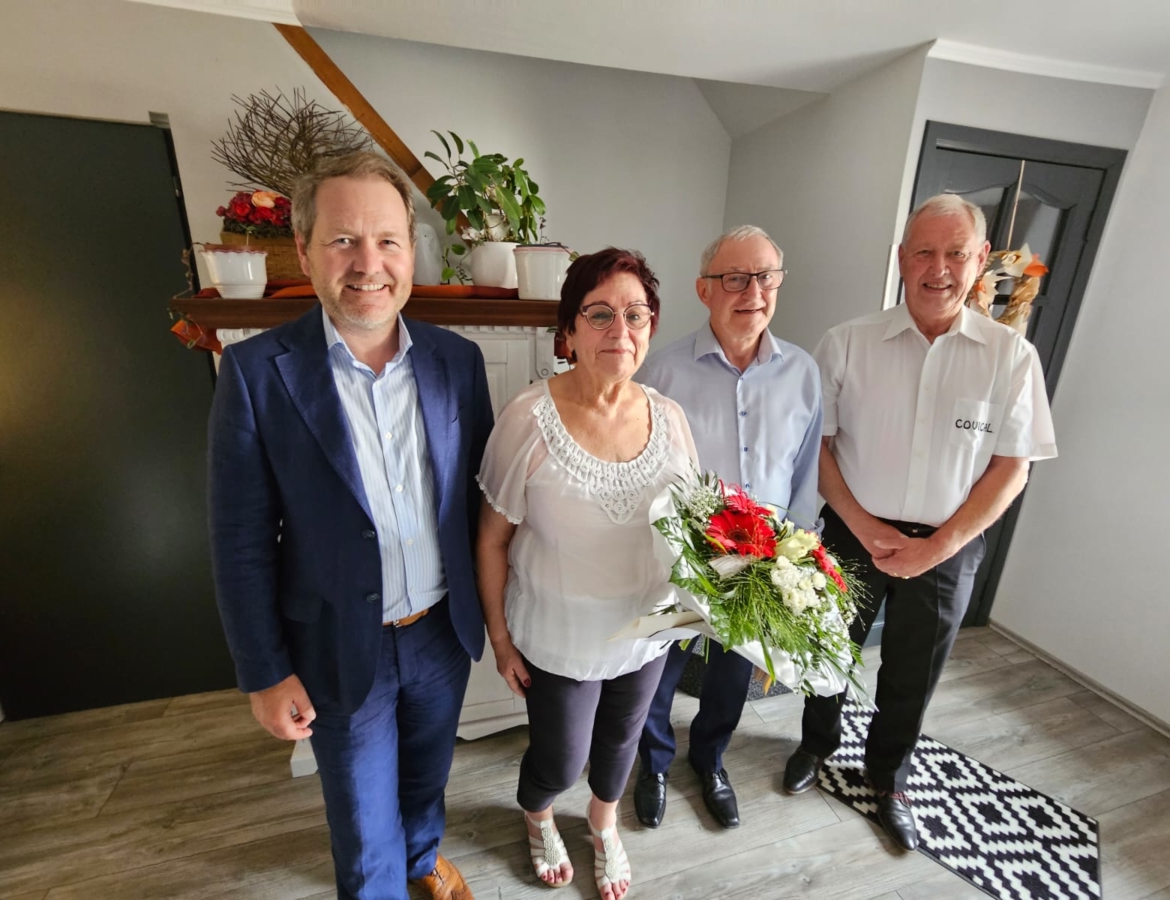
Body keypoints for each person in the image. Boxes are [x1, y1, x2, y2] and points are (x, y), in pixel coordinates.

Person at [207, 151, 492, 900]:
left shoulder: (458, 362)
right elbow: (239, 540)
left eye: (388, 240)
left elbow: (477, 504)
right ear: (303, 250)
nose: (369, 263)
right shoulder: (256, 373)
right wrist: (264, 672)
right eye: (343, 240)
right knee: (365, 833)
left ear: (411, 251)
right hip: (334, 647)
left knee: (426, 788)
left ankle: (424, 865)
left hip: (441, 636)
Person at [781, 194, 1058, 851]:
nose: (939, 269)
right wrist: (864, 524)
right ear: (902, 260)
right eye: (925, 253)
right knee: (828, 652)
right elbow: (817, 448)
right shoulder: (846, 342)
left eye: (956, 253)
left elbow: (1011, 468)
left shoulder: (1011, 358)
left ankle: (889, 776)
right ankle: (815, 746)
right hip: (852, 528)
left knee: (913, 671)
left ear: (981, 260)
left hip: (951, 544)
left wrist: (940, 544)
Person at [476, 248, 698, 899]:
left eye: (635, 314)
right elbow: (491, 540)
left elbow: (696, 530)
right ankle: (538, 813)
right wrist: (500, 638)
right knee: (560, 757)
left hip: (649, 628)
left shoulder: (671, 418)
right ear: (567, 332)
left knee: (622, 742)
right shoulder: (527, 419)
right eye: (599, 314)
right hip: (560, 633)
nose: (619, 331)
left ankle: (604, 823)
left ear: (651, 326)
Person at [632, 226, 824, 830]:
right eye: (735, 278)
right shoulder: (660, 372)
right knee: (657, 670)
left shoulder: (803, 373)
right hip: (679, 559)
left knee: (732, 674)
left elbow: (809, 467)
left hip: (764, 563)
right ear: (704, 290)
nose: (754, 291)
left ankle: (710, 759)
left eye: (767, 276)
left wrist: (798, 554)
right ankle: (654, 763)